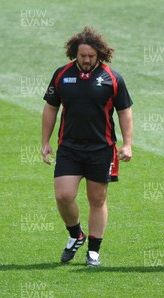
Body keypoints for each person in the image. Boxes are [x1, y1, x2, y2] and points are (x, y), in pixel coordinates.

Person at [41, 26, 133, 267]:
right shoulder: (62, 75)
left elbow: (125, 111)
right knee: (63, 195)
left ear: (99, 55)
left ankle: (93, 250)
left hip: (101, 150)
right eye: (82, 56)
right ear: (75, 53)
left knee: (97, 199)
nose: (86, 60)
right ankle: (76, 234)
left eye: (91, 56)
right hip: (69, 148)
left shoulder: (112, 78)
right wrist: (45, 142)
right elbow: (51, 107)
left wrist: (128, 144)